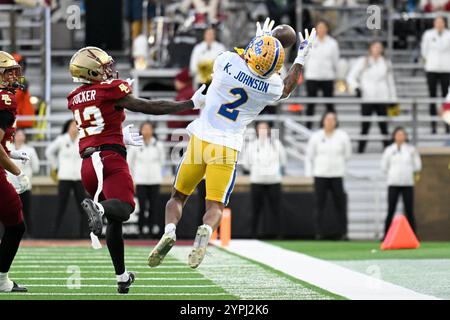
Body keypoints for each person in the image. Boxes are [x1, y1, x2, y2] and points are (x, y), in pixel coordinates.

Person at [148, 18, 316, 269]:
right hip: (226, 147)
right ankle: (205, 229)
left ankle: (170, 230)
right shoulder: (271, 87)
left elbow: (242, 55)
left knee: (178, 197)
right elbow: (286, 88)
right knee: (215, 206)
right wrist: (300, 57)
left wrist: (262, 39)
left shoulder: (225, 61)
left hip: (200, 140)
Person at [67, 46, 206, 294]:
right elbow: (148, 106)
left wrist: (120, 135)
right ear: (90, 71)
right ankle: (97, 207)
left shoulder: (75, 96)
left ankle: (122, 277)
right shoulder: (110, 90)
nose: (108, 70)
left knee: (115, 221)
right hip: (110, 159)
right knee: (126, 207)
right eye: (103, 67)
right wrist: (190, 103)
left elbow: (98, 118)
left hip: (88, 165)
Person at [0, 51, 30, 292]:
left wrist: (10, 153)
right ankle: (0, 280)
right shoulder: (5, 101)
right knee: (16, 224)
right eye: (8, 72)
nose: (14, 76)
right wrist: (18, 172)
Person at [306, 111, 351, 240]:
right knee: (319, 205)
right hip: (320, 175)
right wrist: (310, 173)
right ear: (323, 121)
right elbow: (310, 155)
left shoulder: (342, 136)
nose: (330, 122)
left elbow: (347, 155)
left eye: (333, 119)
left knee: (340, 205)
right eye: (328, 119)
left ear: (336, 122)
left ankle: (343, 232)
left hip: (337, 175)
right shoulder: (316, 136)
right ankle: (318, 232)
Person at [347, 41, 397, 153]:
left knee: (383, 125)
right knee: (365, 125)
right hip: (367, 97)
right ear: (370, 48)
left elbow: (390, 82)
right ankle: (361, 149)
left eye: (379, 47)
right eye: (375, 47)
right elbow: (351, 77)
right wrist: (356, 88)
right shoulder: (363, 61)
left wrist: (393, 99)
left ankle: (388, 150)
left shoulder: (386, 62)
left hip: (382, 98)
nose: (377, 49)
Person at [242, 121, 287, 238]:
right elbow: (246, 164)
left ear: (269, 130)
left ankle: (277, 234)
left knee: (276, 209)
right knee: (255, 209)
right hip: (257, 181)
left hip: (274, 181)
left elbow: (283, 161)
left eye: (265, 128)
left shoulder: (276, 144)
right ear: (256, 130)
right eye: (260, 128)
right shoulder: (252, 146)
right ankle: (254, 234)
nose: (262, 130)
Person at [45, 119, 87, 238]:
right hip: (64, 177)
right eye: (72, 125)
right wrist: (56, 166)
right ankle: (54, 234)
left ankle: (84, 234)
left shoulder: (83, 139)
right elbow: (49, 152)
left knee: (84, 207)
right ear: (68, 127)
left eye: (76, 125)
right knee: (60, 206)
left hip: (79, 177)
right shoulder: (61, 139)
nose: (74, 128)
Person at [381, 127, 422, 239]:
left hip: (407, 184)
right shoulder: (389, 150)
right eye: (397, 134)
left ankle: (413, 235)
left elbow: (417, 166)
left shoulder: (411, 150)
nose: (400, 137)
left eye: (402, 134)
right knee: (391, 210)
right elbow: (384, 167)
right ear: (394, 136)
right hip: (393, 183)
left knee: (409, 211)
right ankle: (386, 236)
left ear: (405, 136)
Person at [128, 121, 165, 238]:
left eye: (149, 129)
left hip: (155, 180)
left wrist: (157, 172)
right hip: (140, 180)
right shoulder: (136, 145)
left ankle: (151, 231)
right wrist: (132, 179)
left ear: (152, 131)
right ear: (141, 131)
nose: (147, 131)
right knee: (142, 207)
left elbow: (162, 161)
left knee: (153, 207)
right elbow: (129, 163)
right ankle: (140, 231)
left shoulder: (158, 145)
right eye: (145, 129)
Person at [304, 19, 339, 129]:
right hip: (312, 76)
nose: (321, 30)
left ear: (327, 29)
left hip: (327, 77)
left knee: (329, 104)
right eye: (319, 27)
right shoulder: (309, 41)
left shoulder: (333, 43)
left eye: (323, 27)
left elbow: (335, 61)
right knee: (310, 104)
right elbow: (304, 58)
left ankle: (333, 126)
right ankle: (307, 127)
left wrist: (336, 76)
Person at [7, 129, 39, 237]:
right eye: (18, 135)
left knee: (26, 211)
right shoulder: (8, 148)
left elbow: (36, 167)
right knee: (9, 212)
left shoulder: (29, 150)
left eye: (22, 135)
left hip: (25, 187)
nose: (20, 137)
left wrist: (26, 176)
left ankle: (30, 235)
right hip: (10, 186)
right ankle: (6, 235)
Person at [421, 16, 450, 134]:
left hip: (446, 69)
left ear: (444, 23)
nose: (439, 24)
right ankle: (433, 126)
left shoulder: (449, 34)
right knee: (432, 97)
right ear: (434, 23)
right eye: (437, 22)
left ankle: (447, 125)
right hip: (432, 68)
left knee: (447, 99)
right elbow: (424, 51)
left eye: (441, 22)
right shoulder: (428, 34)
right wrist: (430, 62)